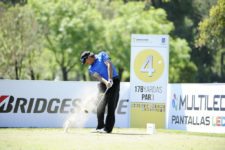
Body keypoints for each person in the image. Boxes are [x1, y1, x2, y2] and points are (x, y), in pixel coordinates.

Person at [80, 50, 120, 133]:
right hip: (103, 84)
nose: (86, 63)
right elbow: (99, 77)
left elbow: (109, 65)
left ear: (89, 57)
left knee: (111, 106)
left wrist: (110, 79)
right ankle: (100, 127)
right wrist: (106, 82)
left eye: (86, 61)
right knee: (100, 105)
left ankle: (107, 129)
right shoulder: (90, 69)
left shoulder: (102, 55)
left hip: (114, 80)